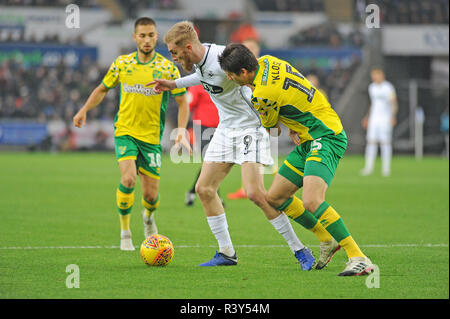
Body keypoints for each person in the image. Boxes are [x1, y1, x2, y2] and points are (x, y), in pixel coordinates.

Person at [148, 21, 315, 269]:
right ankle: (227, 253)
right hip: (226, 130)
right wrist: (174, 84)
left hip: (251, 128)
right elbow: (201, 76)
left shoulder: (223, 59)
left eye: (174, 51)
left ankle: (301, 250)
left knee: (255, 194)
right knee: (204, 189)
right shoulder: (202, 61)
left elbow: (258, 86)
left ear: (188, 46)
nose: (172, 57)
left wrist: (284, 123)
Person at [218, 43, 374, 276]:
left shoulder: (261, 95)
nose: (228, 78)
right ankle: (326, 238)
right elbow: (295, 91)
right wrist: (293, 122)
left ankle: (358, 257)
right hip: (309, 133)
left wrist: (281, 123)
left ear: (243, 72)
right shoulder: (270, 60)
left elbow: (272, 130)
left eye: (230, 74)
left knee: (312, 201)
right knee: (275, 197)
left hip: (324, 135)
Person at [73, 17, 190, 251]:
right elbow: (102, 89)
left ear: (157, 37)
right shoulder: (122, 64)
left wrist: (180, 131)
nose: (147, 40)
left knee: (151, 197)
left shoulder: (167, 67)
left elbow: (182, 101)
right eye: (142, 35)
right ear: (135, 37)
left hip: (152, 139)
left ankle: (148, 217)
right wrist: (84, 109)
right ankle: (125, 232)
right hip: (125, 131)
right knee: (128, 179)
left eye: (151, 35)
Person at [184, 84, 223, 206]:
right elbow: (187, 104)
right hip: (203, 128)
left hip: (221, 127)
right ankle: (216, 195)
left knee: (215, 163)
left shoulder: (222, 81)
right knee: (211, 161)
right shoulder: (197, 84)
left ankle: (192, 192)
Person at [361, 68, 398, 177]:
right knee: (371, 142)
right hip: (374, 119)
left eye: (376, 75)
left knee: (385, 143)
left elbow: (394, 103)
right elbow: (372, 104)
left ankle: (386, 169)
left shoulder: (388, 87)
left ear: (381, 75)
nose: (374, 77)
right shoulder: (371, 87)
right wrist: (367, 117)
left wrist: (393, 116)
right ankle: (368, 168)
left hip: (385, 119)